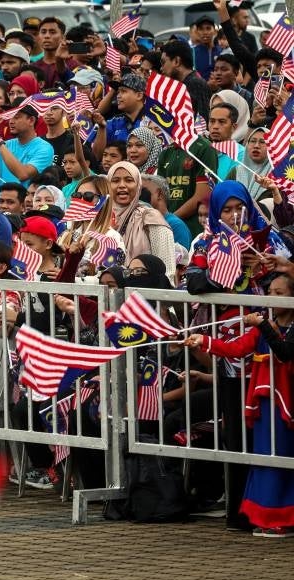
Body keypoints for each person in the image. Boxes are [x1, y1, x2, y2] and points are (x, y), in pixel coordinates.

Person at [183, 275, 294, 537]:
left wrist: (263, 325)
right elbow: (235, 349)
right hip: (265, 404)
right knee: (265, 458)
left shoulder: (279, 327)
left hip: (286, 403)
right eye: (270, 292)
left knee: (283, 457)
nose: (271, 297)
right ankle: (265, 516)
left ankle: (285, 518)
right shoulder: (264, 326)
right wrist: (204, 342)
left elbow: (284, 351)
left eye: (279, 293)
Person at [109, 161, 176, 279]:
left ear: (138, 185)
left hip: (146, 294)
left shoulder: (151, 217)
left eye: (129, 180)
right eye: (115, 181)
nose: (122, 185)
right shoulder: (103, 219)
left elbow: (167, 270)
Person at [0, 105, 54, 186]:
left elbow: (23, 175)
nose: (11, 121)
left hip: (27, 198)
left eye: (16, 117)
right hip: (1, 198)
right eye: (10, 117)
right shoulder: (6, 144)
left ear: (31, 120)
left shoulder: (44, 148)